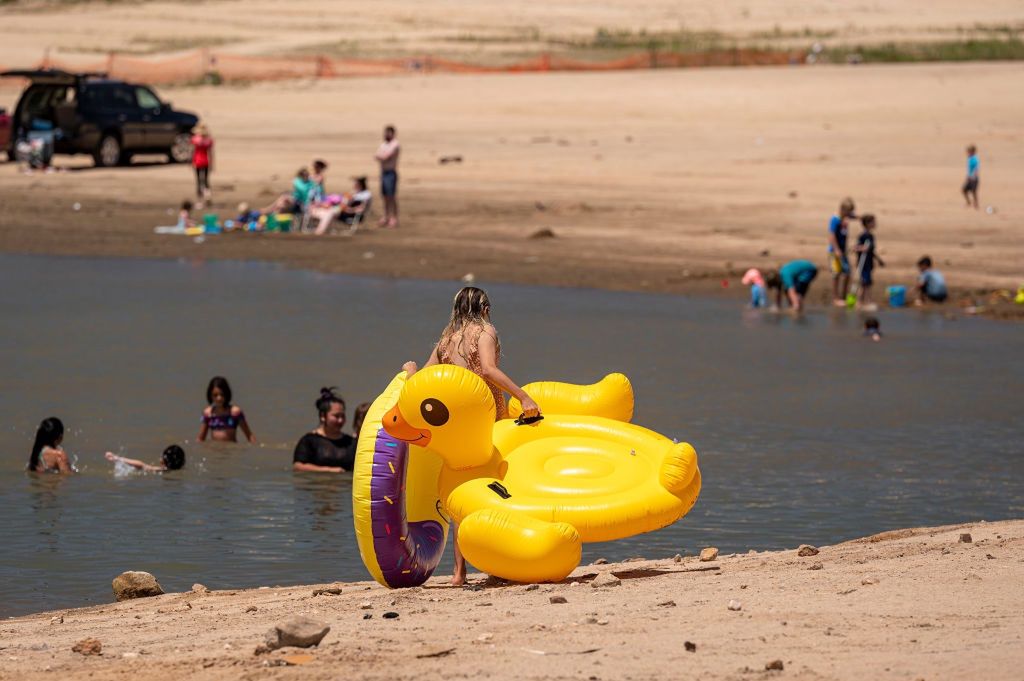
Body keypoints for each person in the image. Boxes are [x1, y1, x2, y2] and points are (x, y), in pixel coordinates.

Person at [402, 286, 541, 585]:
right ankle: (498, 563)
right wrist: (523, 396)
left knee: (462, 490)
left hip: (456, 427)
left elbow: (425, 378)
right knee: (498, 484)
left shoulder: (446, 340)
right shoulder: (485, 332)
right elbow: (489, 371)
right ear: (486, 308)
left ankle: (458, 573)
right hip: (484, 416)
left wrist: (410, 372)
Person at [293, 387, 356, 473]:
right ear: (323, 416)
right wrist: (328, 470)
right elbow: (298, 466)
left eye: (342, 416)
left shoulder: (351, 442)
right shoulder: (309, 441)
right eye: (336, 416)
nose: (340, 420)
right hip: (317, 485)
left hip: (344, 485)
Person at [199, 376, 256, 443]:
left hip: (231, 451)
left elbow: (249, 435)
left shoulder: (235, 412)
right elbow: (200, 439)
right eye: (215, 395)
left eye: (222, 394)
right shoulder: (208, 413)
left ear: (227, 394)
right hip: (214, 451)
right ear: (210, 396)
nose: (219, 398)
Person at [827, 198, 856, 307]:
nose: (850, 214)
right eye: (848, 212)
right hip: (835, 252)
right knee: (836, 274)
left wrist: (860, 217)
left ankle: (843, 296)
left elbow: (854, 216)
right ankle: (835, 298)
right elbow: (831, 235)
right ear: (842, 210)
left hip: (843, 252)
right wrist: (837, 249)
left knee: (847, 273)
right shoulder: (835, 220)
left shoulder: (846, 218)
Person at [854, 214, 886, 308]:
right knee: (865, 282)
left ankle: (866, 300)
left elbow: (871, 250)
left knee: (868, 282)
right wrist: (863, 248)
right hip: (863, 263)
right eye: (873, 222)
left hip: (869, 262)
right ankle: (862, 301)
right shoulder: (863, 236)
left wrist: (879, 260)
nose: (875, 224)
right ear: (867, 224)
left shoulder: (871, 236)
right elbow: (855, 248)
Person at [375, 125, 400, 228]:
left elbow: (385, 156)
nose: (386, 134)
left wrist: (382, 157)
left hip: (390, 172)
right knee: (384, 196)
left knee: (391, 196)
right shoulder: (383, 144)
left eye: (388, 133)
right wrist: (382, 156)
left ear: (392, 133)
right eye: (385, 132)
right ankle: (386, 216)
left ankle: (394, 217)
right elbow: (377, 155)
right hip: (383, 172)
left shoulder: (395, 144)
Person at [105, 445, 186, 472]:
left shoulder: (161, 470)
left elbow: (141, 465)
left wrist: (117, 458)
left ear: (163, 460)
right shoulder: (182, 469)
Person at [191, 123, 214, 207]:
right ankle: (207, 197)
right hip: (206, 161)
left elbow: (193, 152)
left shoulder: (195, 140)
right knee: (206, 180)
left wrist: (191, 161)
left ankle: (200, 200)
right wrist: (212, 164)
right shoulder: (208, 140)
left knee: (198, 181)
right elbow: (211, 154)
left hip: (198, 161)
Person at [963, 144, 979, 210]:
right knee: (964, 190)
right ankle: (969, 202)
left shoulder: (975, 159)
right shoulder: (969, 158)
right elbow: (969, 169)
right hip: (970, 177)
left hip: (974, 178)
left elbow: (976, 169)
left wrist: (973, 176)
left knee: (974, 191)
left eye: (969, 151)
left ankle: (976, 204)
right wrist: (968, 176)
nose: (968, 152)